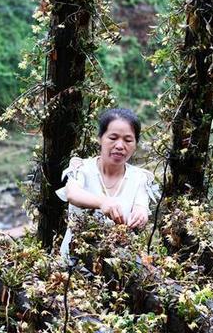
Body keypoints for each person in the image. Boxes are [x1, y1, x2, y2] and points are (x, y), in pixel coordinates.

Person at [56, 108, 155, 259]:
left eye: (128, 140)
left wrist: (141, 215)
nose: (120, 146)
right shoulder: (81, 169)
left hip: (120, 263)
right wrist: (102, 202)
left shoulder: (140, 178)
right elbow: (72, 193)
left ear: (135, 144)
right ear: (100, 138)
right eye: (113, 138)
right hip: (75, 262)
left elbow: (141, 206)